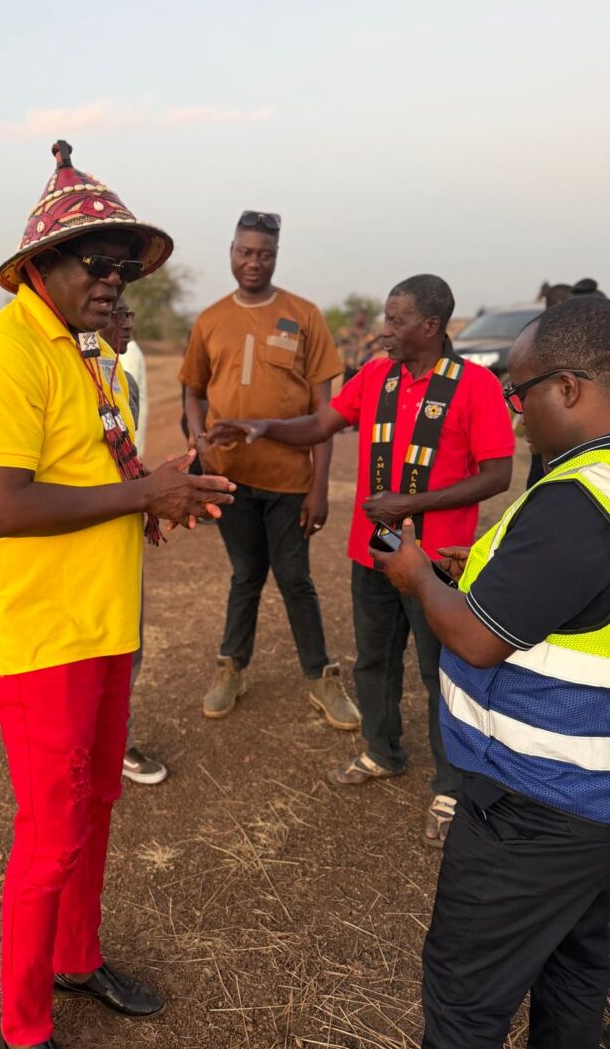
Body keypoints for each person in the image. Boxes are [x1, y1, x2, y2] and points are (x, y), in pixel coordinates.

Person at [0, 141, 234, 1049]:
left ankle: (77, 958)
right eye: (94, 263)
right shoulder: (1, 356)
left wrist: (160, 489)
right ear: (38, 267)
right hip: (39, 639)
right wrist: (141, 493)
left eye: (125, 265)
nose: (113, 280)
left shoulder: (91, 353)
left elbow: (99, 474)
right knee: (51, 829)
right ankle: (22, 1025)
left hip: (104, 622)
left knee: (98, 802)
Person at [371, 295, 610, 1049]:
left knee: (464, 995)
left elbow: (476, 640)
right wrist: (460, 573)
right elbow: (559, 601)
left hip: (535, 804)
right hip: (595, 807)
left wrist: (415, 575)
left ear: (569, 388)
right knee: (578, 976)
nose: (514, 411)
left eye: (522, 390)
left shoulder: (576, 500)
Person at [209, 274, 515, 845]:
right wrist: (264, 427)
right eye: (385, 317)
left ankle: (451, 787)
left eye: (396, 321)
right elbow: (321, 424)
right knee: (373, 661)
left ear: (430, 326)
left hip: (436, 562)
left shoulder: (473, 385)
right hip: (371, 554)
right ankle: (382, 750)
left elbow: (498, 474)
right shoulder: (376, 376)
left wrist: (412, 503)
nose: (384, 331)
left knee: (441, 672)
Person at [179, 211, 358, 728]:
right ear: (231, 251)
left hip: (289, 480)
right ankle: (231, 667)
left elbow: (326, 417)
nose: (254, 262)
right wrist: (199, 441)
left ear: (276, 257)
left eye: (265, 254)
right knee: (246, 574)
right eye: (246, 252)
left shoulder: (304, 315)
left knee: (295, 578)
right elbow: (192, 388)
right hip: (232, 477)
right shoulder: (210, 319)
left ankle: (322, 678)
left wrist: (319, 489)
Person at [99, 298, 167, 785]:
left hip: (120, 533)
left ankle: (114, 740)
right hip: (81, 540)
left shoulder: (125, 381)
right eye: (117, 314)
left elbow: (128, 458)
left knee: (129, 641)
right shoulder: (67, 377)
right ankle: (95, 742)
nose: (127, 325)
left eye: (130, 316)